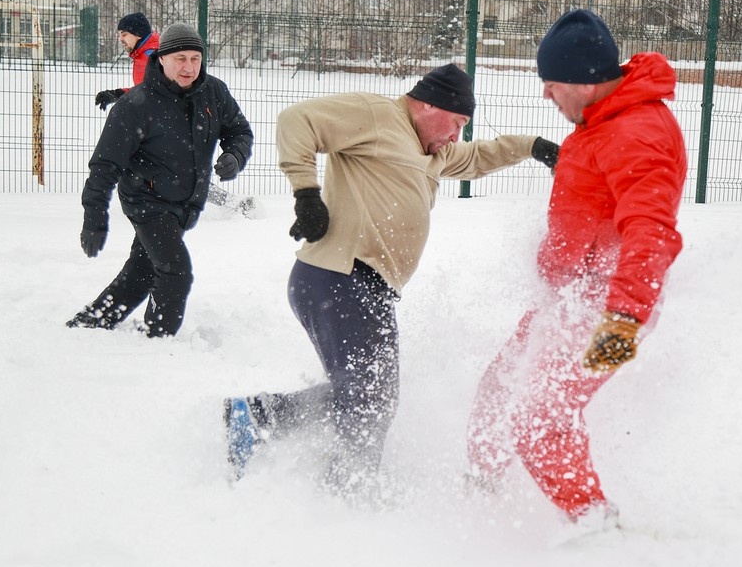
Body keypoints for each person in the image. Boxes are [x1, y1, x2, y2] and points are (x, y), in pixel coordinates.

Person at [224, 64, 561, 496]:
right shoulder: (377, 114)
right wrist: (306, 193)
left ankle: (259, 417)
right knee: (370, 395)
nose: (456, 135)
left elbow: (479, 157)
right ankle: (349, 490)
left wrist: (534, 147)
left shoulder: (433, 153)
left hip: (365, 286)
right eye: (455, 123)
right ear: (426, 104)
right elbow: (297, 120)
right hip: (339, 274)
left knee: (367, 394)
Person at [465, 9, 688, 536]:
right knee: (499, 387)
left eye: (551, 84)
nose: (547, 96)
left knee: (538, 418)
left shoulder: (634, 132)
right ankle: (481, 493)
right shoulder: (602, 123)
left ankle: (595, 528)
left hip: (611, 311)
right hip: (572, 297)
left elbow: (650, 231)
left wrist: (623, 318)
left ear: (583, 80)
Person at [67, 22, 254, 337]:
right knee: (176, 271)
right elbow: (104, 167)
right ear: (162, 58)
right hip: (147, 201)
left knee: (141, 271)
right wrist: (94, 219)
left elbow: (239, 131)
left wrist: (234, 156)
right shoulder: (135, 105)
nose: (189, 67)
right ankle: (158, 339)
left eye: (195, 58)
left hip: (186, 202)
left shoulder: (213, 92)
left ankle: (91, 323)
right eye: (180, 58)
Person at [94, 12, 160, 112]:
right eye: (120, 35)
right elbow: (144, 90)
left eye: (124, 34)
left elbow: (154, 95)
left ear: (138, 34)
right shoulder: (142, 54)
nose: (120, 39)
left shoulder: (152, 56)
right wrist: (116, 94)